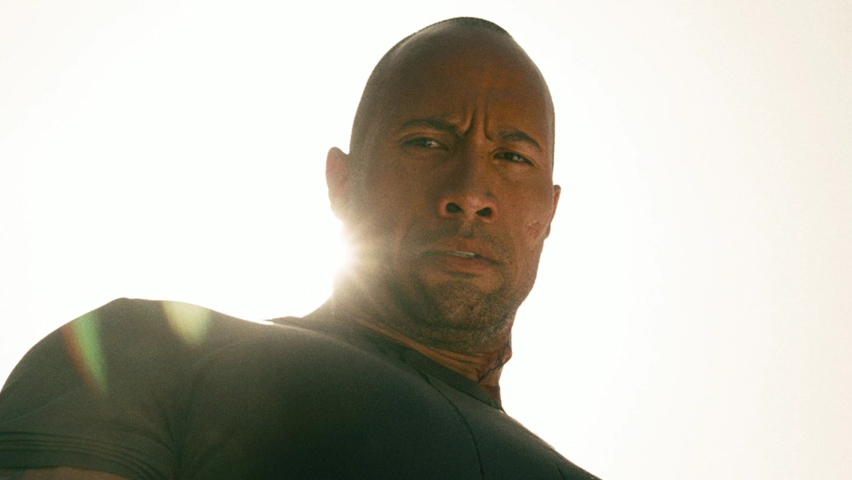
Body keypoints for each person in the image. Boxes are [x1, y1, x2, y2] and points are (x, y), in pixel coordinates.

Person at [0, 17, 601, 480]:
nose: (470, 194)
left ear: (548, 214)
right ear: (342, 183)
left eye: (512, 156)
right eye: (426, 142)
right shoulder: (145, 356)